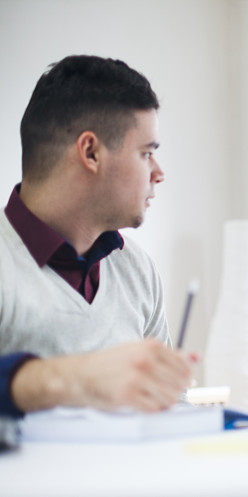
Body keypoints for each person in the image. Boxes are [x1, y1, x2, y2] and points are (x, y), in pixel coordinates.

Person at [0, 55, 195, 419]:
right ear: (90, 152)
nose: (159, 172)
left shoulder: (138, 272)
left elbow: (169, 410)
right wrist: (72, 379)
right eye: (146, 153)